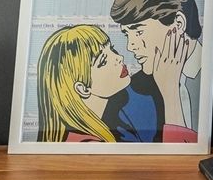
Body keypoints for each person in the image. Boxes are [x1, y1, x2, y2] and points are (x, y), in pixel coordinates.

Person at [36, 24, 196, 143]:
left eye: (112, 49)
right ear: (83, 88)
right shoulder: (89, 145)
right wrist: (170, 91)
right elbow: (177, 162)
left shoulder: (101, 126)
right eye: (103, 61)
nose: (119, 58)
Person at [111, 0, 204, 137]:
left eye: (138, 31)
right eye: (126, 34)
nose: (130, 46)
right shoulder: (128, 98)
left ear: (179, 24)